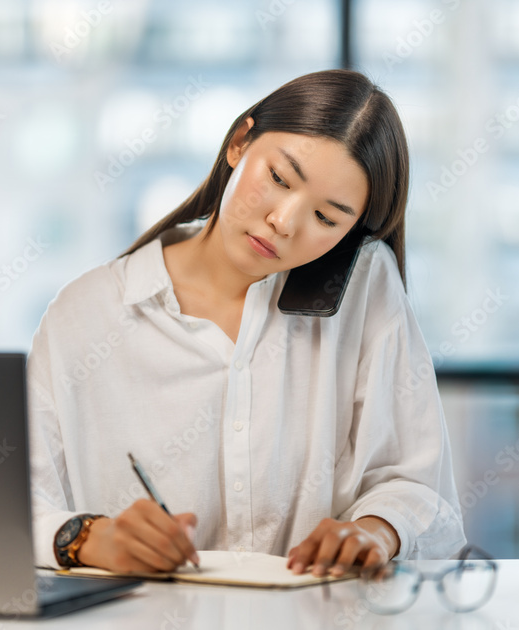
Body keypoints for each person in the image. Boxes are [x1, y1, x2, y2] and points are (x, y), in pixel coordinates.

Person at [27, 69, 466, 577]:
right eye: (279, 179)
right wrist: (87, 538)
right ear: (240, 142)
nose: (285, 221)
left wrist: (373, 531)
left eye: (327, 218)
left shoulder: (363, 286)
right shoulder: (86, 315)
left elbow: (418, 484)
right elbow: (14, 509)